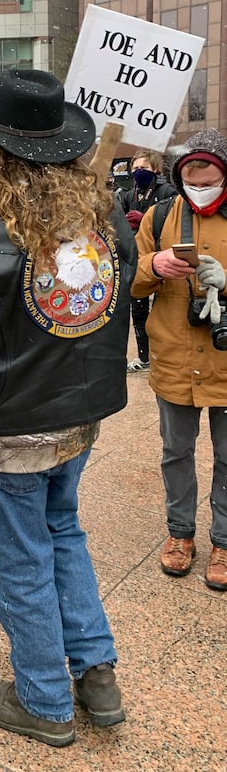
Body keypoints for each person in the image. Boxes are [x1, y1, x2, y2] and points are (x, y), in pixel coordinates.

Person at [0, 68, 135, 746]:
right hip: (78, 418)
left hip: (8, 432)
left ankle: (43, 699)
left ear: (0, 156)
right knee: (64, 534)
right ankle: (95, 673)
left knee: (22, 560)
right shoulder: (109, 229)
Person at [131, 128, 227, 592]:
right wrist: (155, 265)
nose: (197, 177)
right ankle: (180, 534)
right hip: (173, 358)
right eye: (190, 169)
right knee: (176, 453)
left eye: (205, 168)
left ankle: (224, 540)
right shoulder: (160, 214)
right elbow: (128, 280)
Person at [119, 149, 176, 373]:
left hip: (164, 259)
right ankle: (144, 356)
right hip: (137, 260)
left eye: (143, 168)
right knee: (139, 311)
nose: (138, 172)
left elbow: (175, 221)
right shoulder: (127, 194)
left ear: (156, 170)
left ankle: (168, 356)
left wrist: (146, 220)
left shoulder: (168, 191)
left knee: (167, 309)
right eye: (135, 168)